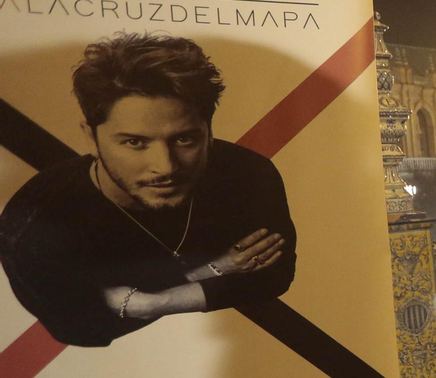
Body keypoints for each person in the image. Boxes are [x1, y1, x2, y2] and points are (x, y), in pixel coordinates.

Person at [0, 33, 296, 347]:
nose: (165, 167)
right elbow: (81, 329)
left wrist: (152, 302)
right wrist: (218, 267)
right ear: (91, 138)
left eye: (184, 139)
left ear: (209, 132)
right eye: (135, 142)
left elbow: (272, 277)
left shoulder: (248, 173)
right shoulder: (33, 229)